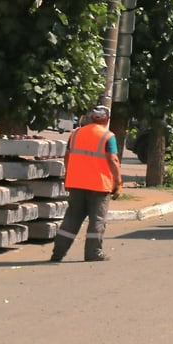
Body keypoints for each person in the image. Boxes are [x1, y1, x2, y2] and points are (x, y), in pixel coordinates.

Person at [51, 105, 122, 263]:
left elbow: (68, 156)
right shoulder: (108, 136)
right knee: (97, 220)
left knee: (71, 219)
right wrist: (118, 182)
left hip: (76, 184)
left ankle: (58, 253)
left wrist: (68, 175)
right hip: (99, 185)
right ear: (107, 119)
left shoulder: (76, 133)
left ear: (90, 117)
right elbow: (113, 160)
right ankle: (93, 253)